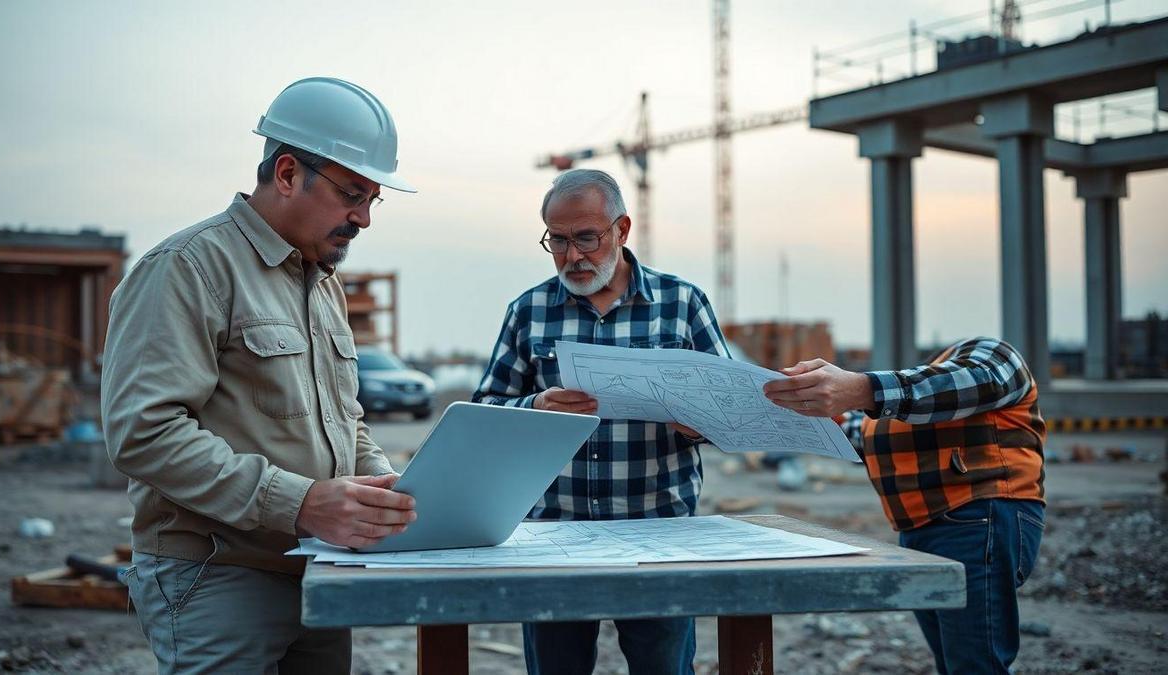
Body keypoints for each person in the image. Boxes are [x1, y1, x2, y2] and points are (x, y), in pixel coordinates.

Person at [101, 77, 419, 674]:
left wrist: (389, 485)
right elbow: (143, 434)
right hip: (217, 578)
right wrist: (301, 504)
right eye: (353, 193)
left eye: (374, 198)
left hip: (318, 570)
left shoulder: (320, 283)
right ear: (288, 173)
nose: (364, 218)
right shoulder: (187, 269)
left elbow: (342, 422)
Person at [473, 168, 730, 675]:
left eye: (586, 237)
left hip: (659, 534)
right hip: (552, 536)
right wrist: (535, 407)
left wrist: (699, 421)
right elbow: (483, 414)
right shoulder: (528, 311)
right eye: (559, 241)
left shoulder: (682, 305)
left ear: (622, 230)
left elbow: (731, 411)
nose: (573, 256)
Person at [762, 336, 1046, 674]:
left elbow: (966, 384)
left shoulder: (994, 355)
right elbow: (863, 432)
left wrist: (860, 388)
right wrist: (803, 409)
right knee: (957, 663)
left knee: (975, 665)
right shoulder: (901, 407)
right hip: (927, 531)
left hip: (979, 516)